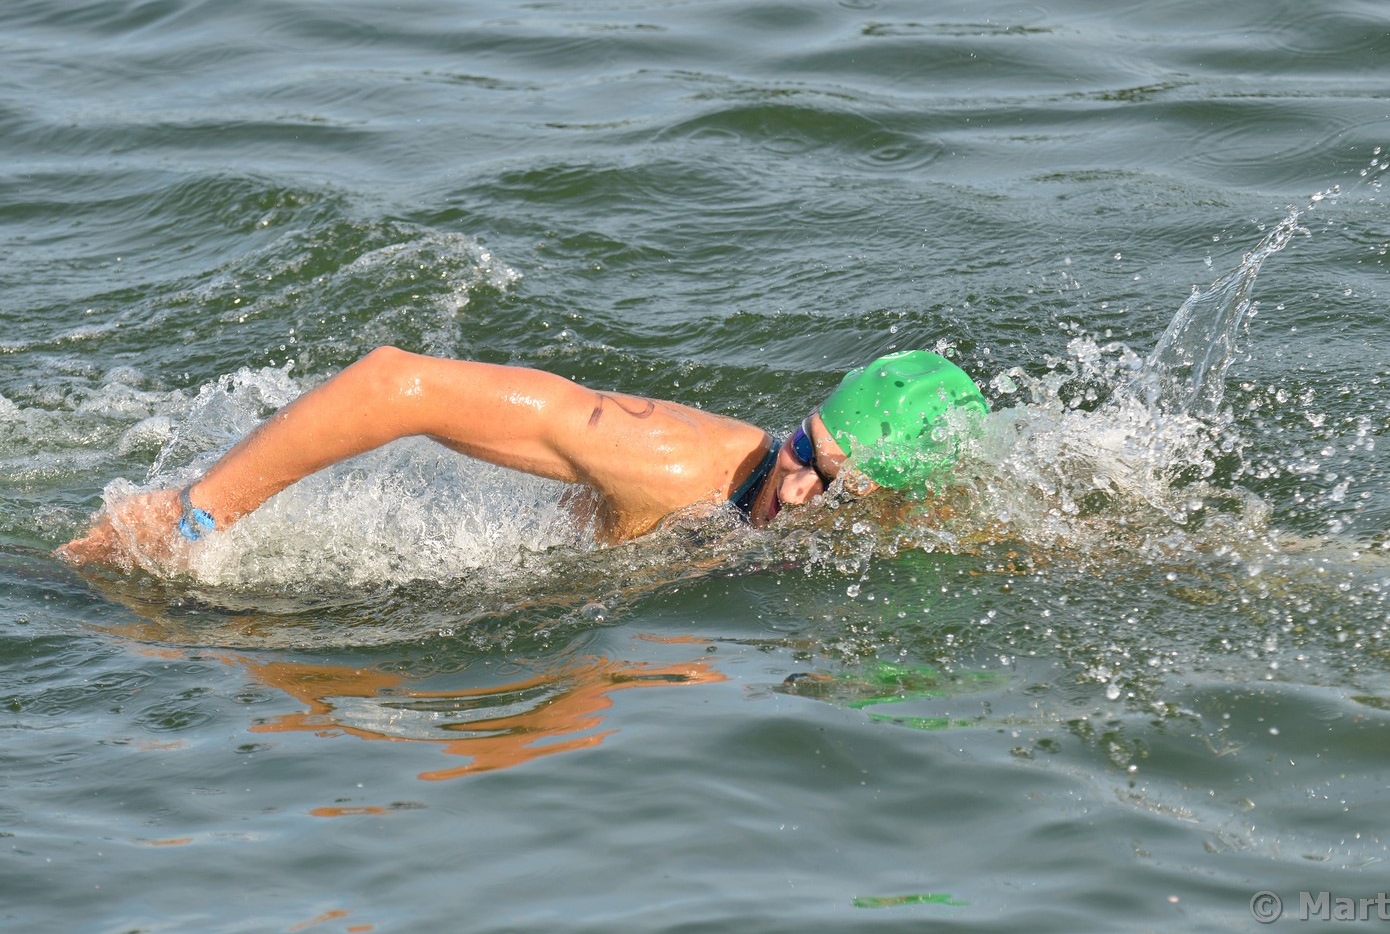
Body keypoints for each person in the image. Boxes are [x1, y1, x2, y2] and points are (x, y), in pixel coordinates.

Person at [57, 347, 991, 566]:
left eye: (831, 484)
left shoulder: (929, 518)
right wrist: (195, 514)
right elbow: (395, 383)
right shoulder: (669, 462)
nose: (794, 484)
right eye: (802, 448)